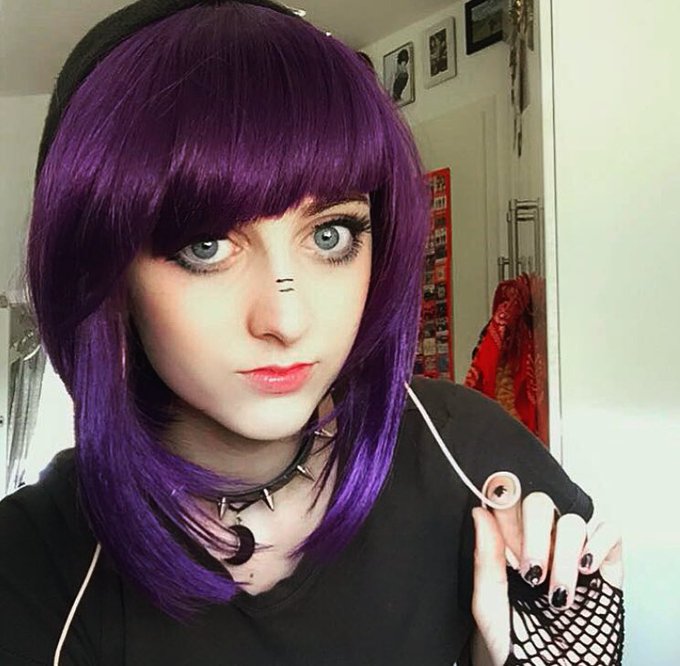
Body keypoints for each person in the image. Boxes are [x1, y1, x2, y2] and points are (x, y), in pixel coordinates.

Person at [0, 1, 624, 665]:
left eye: (330, 235)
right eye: (206, 246)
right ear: (107, 273)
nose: (287, 320)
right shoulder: (33, 569)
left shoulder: (468, 456)